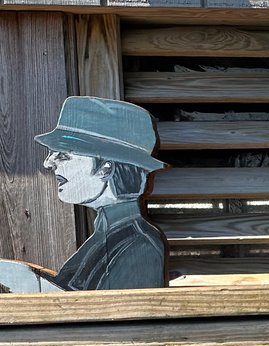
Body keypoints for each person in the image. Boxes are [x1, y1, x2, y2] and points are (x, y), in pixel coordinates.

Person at [0, 96, 167, 292]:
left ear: (106, 168)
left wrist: (25, 280)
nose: (48, 163)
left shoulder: (139, 244)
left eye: (63, 154)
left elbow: (113, 316)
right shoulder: (109, 235)